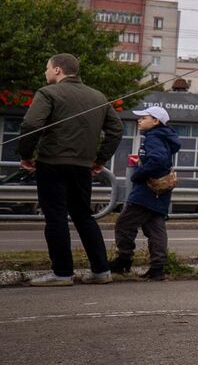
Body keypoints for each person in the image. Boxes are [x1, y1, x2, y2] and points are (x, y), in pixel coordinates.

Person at [16, 54, 123, 287]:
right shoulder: (98, 96)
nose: (45, 72)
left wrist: (25, 155)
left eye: (47, 68)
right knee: (83, 215)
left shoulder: (48, 93)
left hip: (52, 163)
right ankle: (101, 270)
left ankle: (62, 273)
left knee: (55, 217)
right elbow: (116, 129)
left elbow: (31, 124)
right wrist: (100, 159)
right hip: (83, 166)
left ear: (57, 70)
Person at [110, 105, 178, 281]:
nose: (139, 120)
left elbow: (158, 159)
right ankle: (157, 268)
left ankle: (123, 261)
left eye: (143, 118)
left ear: (155, 121)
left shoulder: (153, 137)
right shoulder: (163, 136)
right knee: (155, 229)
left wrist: (137, 175)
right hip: (159, 192)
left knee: (124, 224)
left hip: (146, 192)